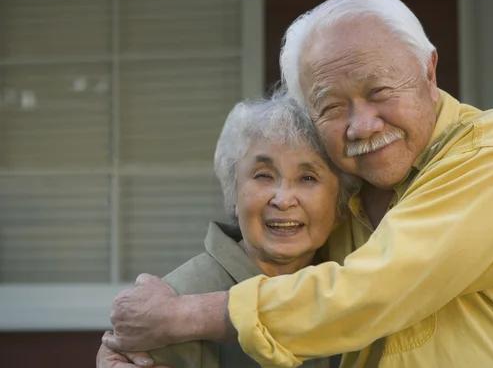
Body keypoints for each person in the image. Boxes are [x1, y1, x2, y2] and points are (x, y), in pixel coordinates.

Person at [102, 0, 493, 367]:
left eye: (379, 91)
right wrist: (130, 349)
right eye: (332, 107)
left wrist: (181, 316)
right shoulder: (344, 194)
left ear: (429, 70)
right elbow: (270, 272)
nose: (362, 125)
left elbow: (376, 287)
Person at [97, 93, 355, 368]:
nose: (283, 199)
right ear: (234, 191)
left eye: (307, 178)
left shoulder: (352, 286)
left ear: (341, 201)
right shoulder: (166, 309)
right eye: (263, 175)